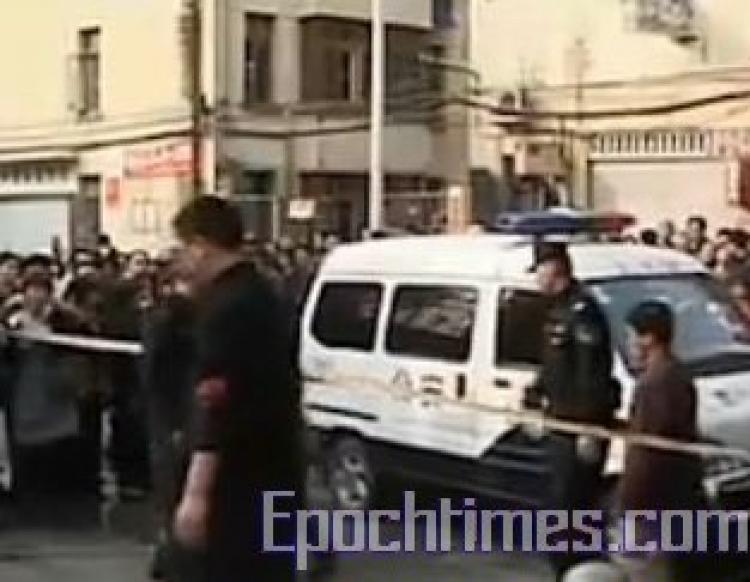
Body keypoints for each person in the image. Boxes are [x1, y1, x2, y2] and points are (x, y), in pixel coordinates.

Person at [171, 196, 302, 582]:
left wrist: (196, 494)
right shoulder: (265, 293)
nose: (180, 261)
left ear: (201, 244)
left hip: (237, 483)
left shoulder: (227, 309)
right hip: (276, 467)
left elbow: (217, 404)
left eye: (183, 248)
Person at [525, 241, 620, 581]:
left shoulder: (583, 312)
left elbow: (591, 376)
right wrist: (532, 402)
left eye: (538, 270)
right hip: (559, 423)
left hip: (578, 428)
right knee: (562, 508)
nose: (535, 278)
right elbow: (551, 369)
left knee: (571, 506)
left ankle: (579, 572)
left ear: (555, 269)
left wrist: (588, 429)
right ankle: (569, 570)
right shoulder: (557, 310)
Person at [613, 301, 705, 581]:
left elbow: (647, 451)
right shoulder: (678, 374)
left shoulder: (655, 383)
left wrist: (628, 501)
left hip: (652, 501)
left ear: (648, 338)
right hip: (675, 496)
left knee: (642, 569)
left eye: (631, 336)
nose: (630, 344)